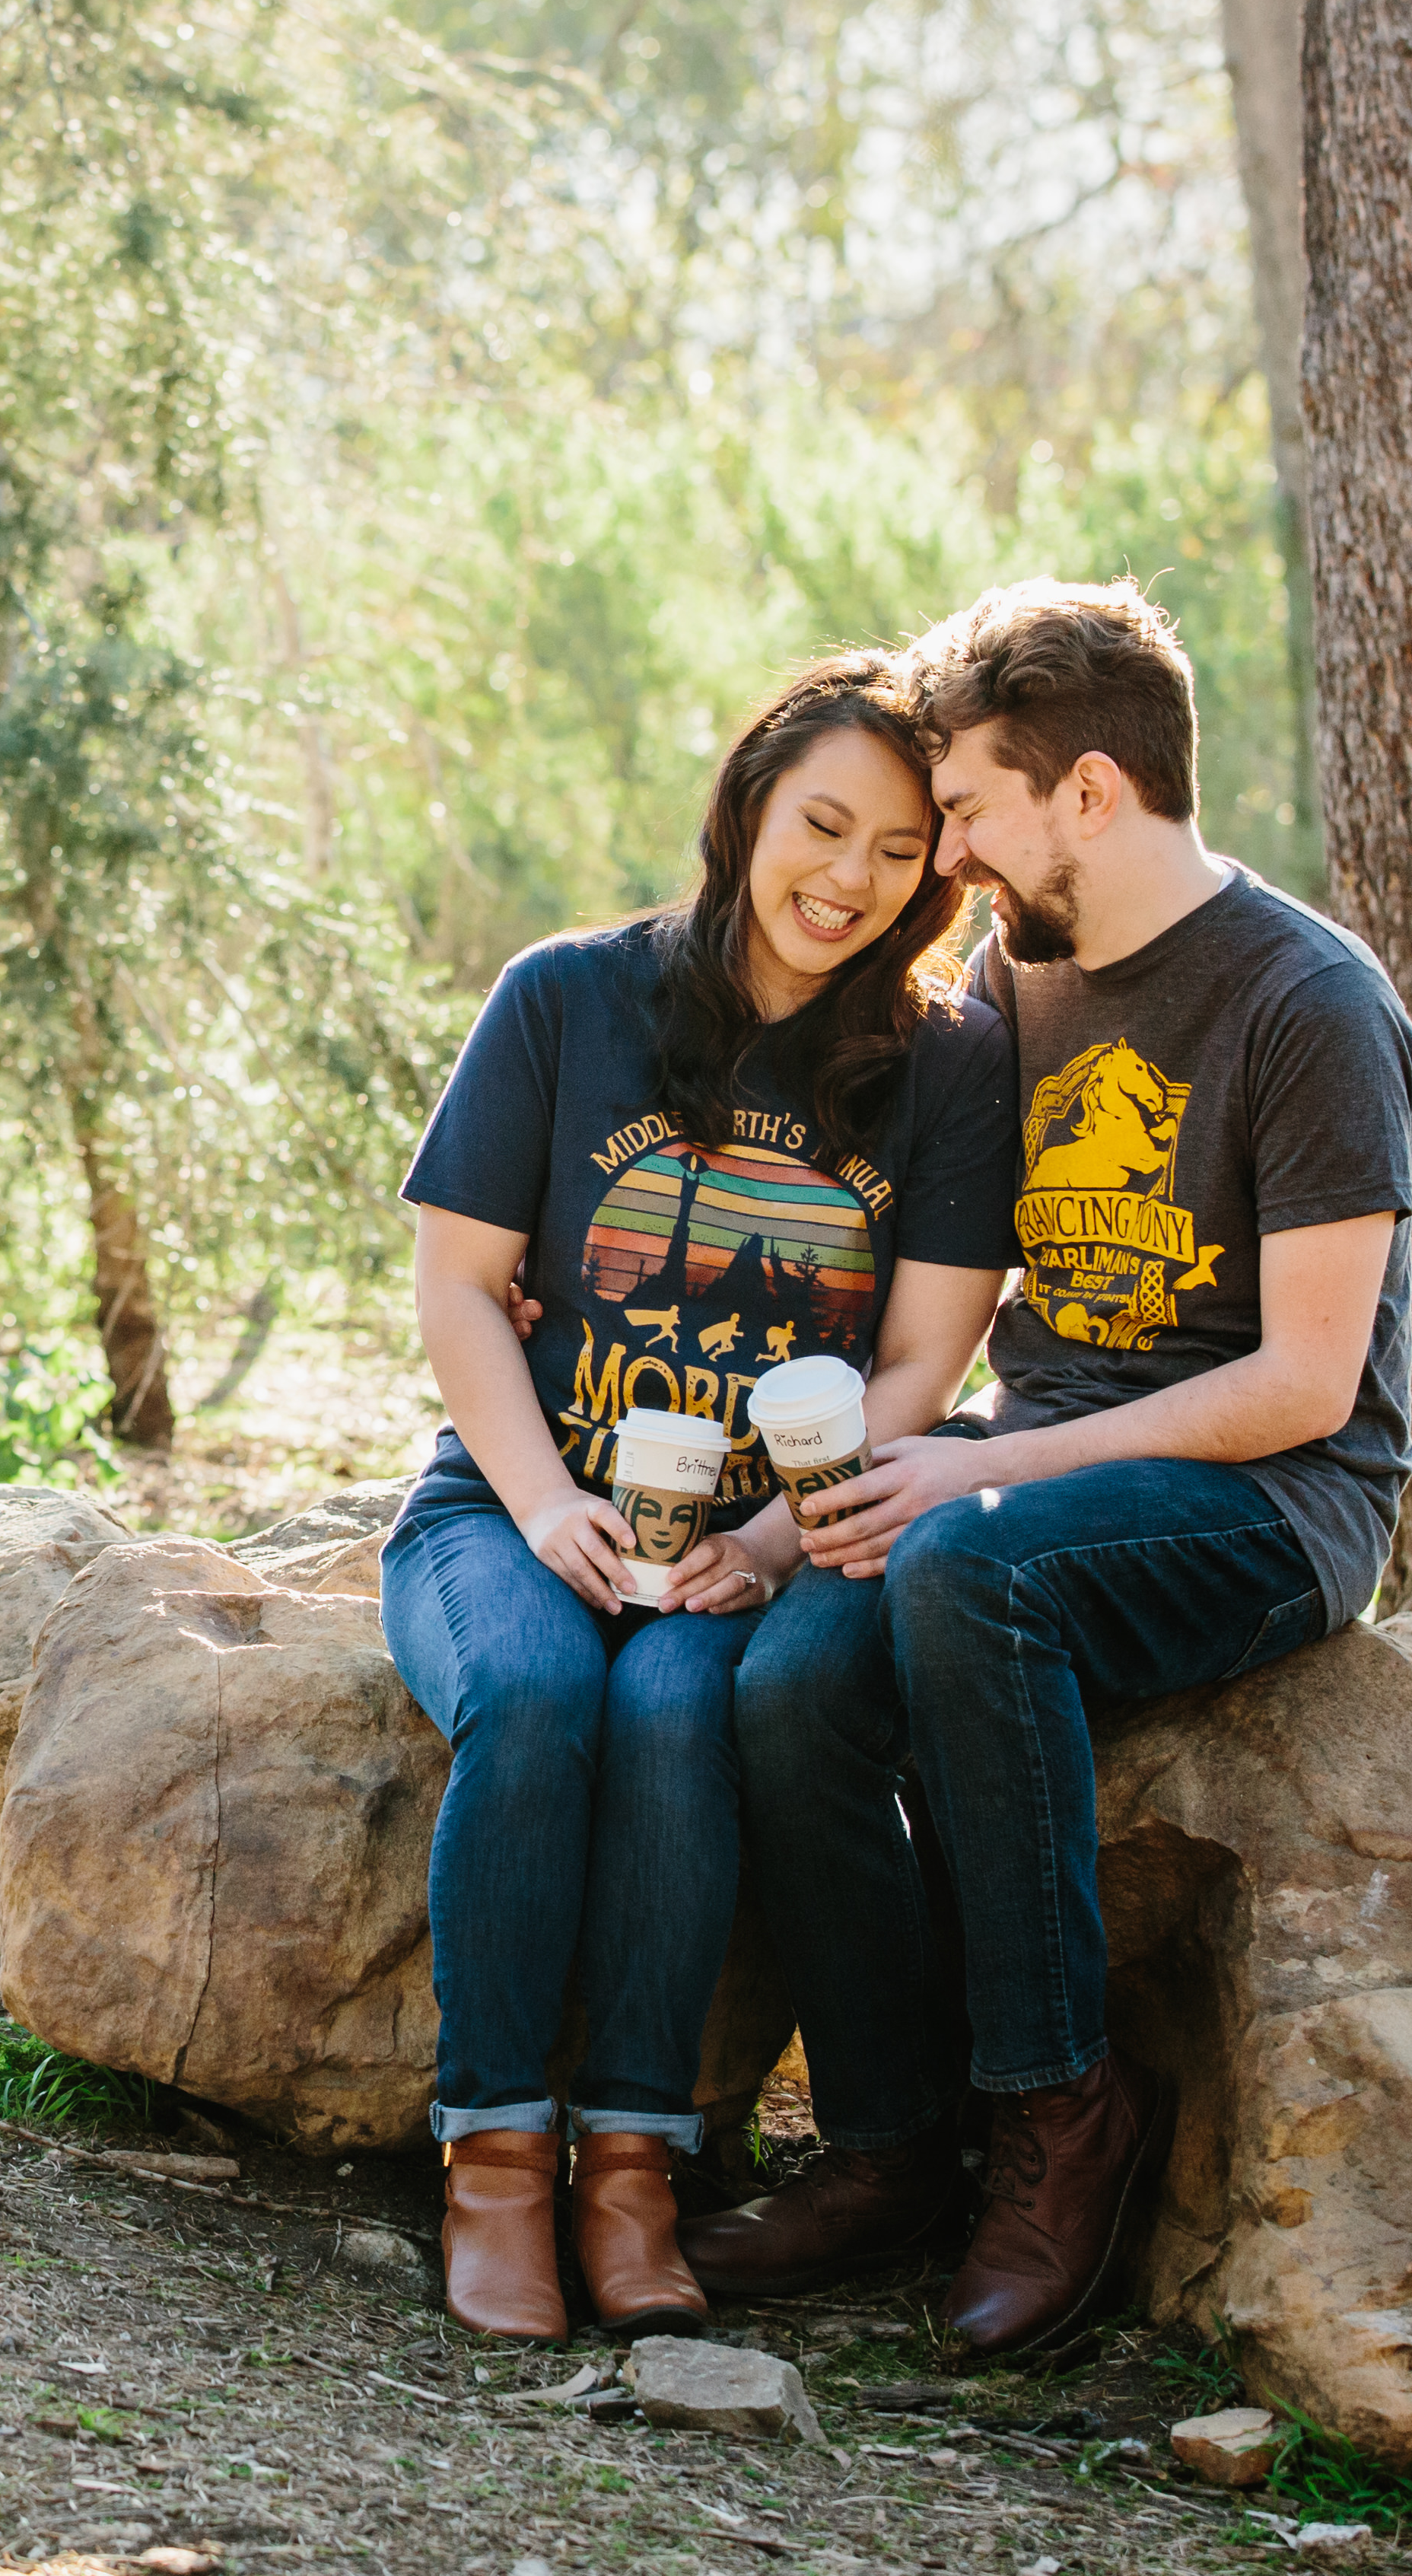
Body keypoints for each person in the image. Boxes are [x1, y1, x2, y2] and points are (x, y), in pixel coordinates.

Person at [685, 579, 1412, 2358]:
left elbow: (1309, 1386)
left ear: (1090, 792)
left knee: (967, 1563)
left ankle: (1057, 2106)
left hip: (1270, 1502)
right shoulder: (1022, 976)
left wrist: (969, 1478)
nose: (946, 857)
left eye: (966, 811)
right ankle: (886, 2145)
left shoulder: (1308, 1003)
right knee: (790, 1683)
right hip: (1035, 1463)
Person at [384, 651, 1022, 2341]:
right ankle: (499, 2162)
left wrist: (762, 1541)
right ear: (747, 809)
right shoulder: (565, 999)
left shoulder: (947, 1069)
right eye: (823, 825)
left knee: (676, 1712)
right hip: (510, 1505)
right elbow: (461, 1289)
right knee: (531, 1693)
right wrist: (536, 1508)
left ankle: (635, 2173)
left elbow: (920, 1369)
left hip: (755, 1542)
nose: (852, 880)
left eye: (900, 852)